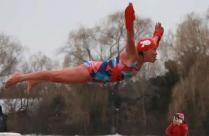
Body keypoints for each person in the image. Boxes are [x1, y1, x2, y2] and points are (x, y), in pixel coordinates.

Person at [4, 3, 164, 94]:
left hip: (97, 79)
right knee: (56, 76)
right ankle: (21, 76)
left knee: (57, 78)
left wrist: (157, 34)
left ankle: (34, 79)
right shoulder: (132, 55)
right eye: (153, 51)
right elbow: (130, 35)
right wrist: (129, 18)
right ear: (144, 51)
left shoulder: (150, 48)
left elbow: (155, 39)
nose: (156, 53)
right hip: (92, 71)